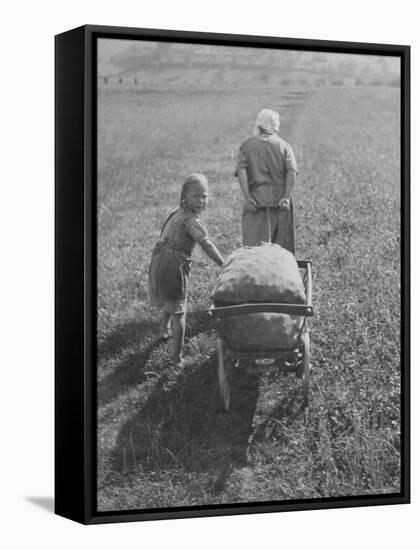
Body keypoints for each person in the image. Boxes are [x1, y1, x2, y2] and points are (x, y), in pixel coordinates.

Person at [148, 173, 224, 367]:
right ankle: (177, 359)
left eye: (204, 196)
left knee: (169, 299)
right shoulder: (190, 220)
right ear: (184, 196)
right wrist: (223, 264)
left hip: (161, 259)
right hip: (173, 265)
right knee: (180, 311)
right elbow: (206, 244)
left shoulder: (179, 211)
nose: (201, 201)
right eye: (195, 196)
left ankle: (163, 331)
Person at [235, 108, 298, 254]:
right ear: (276, 126)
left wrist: (248, 197)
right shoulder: (284, 146)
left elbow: (242, 171)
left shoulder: (247, 146)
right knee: (282, 250)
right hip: (280, 201)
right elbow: (291, 171)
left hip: (256, 201)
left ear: (258, 125)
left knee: (254, 250)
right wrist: (286, 197)